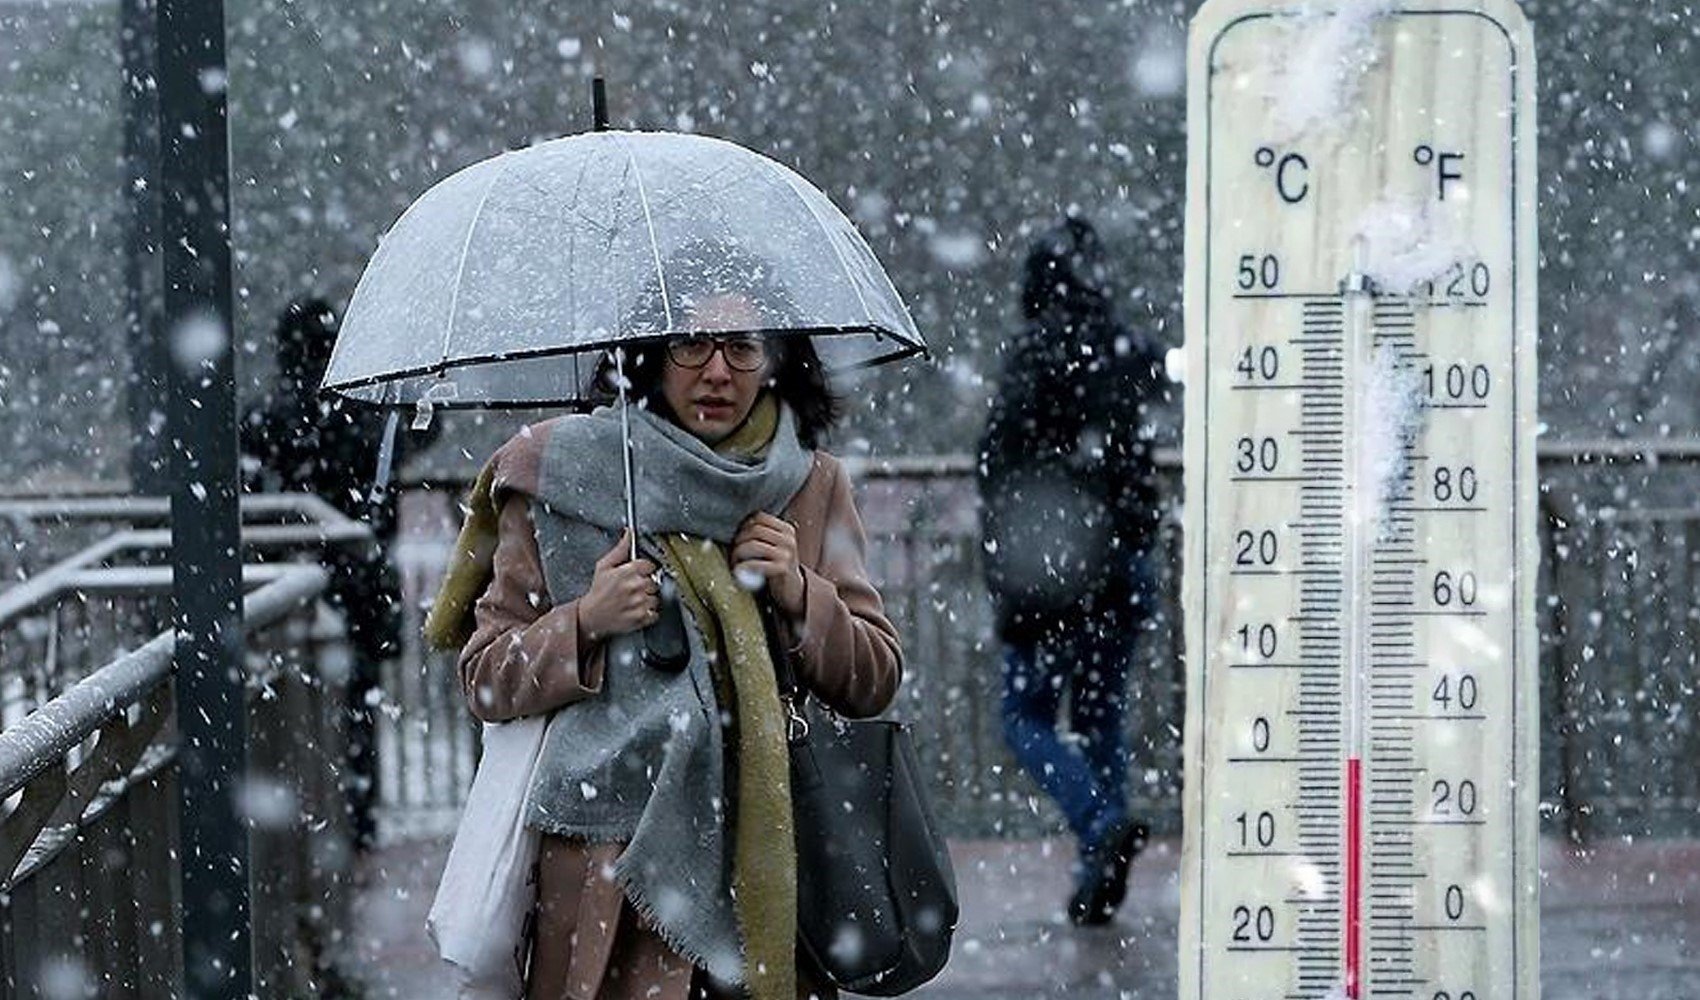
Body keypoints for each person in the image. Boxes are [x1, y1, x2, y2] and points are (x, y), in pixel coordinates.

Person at [425, 262, 902, 1000]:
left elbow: (874, 677)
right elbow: (484, 675)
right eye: (692, 345)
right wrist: (585, 621)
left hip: (766, 866)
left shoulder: (810, 484)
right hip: (606, 877)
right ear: (648, 354)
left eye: (742, 346)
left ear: (776, 359)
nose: (718, 371)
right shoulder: (557, 474)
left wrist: (798, 591)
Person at [977, 216, 1168, 926]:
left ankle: (1096, 825)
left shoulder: (1033, 355)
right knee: (1100, 716)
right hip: (1122, 562)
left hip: (1051, 564)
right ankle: (1097, 871)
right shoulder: (1126, 350)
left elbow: (998, 465)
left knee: (1024, 714)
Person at [240, 295, 438, 850]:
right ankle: (357, 818)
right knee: (357, 709)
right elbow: (422, 432)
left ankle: (298, 832)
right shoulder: (368, 417)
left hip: (286, 595)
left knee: (286, 715)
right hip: (361, 584)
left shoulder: (265, 419)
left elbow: (251, 489)